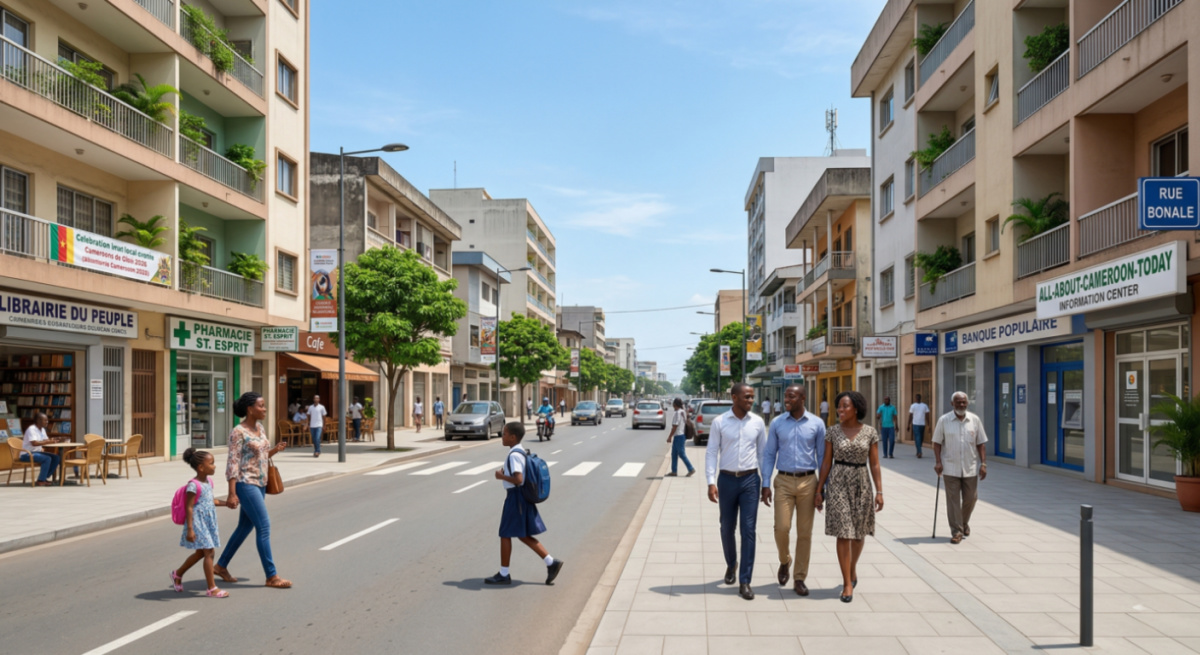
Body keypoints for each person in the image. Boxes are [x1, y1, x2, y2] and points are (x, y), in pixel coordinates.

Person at [213, 392, 291, 589]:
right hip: (245, 483)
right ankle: (271, 576)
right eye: (261, 405)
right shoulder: (238, 432)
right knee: (263, 526)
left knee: (244, 527)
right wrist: (232, 493)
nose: (264, 409)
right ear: (250, 409)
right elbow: (233, 462)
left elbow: (261, 455)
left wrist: (275, 450)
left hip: (261, 483)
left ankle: (221, 566)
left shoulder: (260, 428)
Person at [815, 390, 883, 603]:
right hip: (838, 482)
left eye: (845, 406)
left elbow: (875, 464)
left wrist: (879, 491)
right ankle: (847, 583)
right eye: (839, 406)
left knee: (858, 533)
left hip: (862, 482)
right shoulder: (832, 432)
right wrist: (819, 489)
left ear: (856, 409)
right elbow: (826, 462)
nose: (840, 410)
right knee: (843, 532)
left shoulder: (870, 432)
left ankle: (852, 568)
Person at [761, 384, 825, 596]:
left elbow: (823, 457)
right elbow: (769, 454)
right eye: (786, 396)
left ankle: (799, 578)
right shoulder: (777, 423)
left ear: (803, 398)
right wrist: (765, 483)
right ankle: (784, 560)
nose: (786, 399)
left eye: (791, 396)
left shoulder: (817, 423)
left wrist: (822, 488)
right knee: (781, 527)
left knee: (804, 533)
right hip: (784, 481)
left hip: (809, 482)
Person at [705, 382, 767, 601]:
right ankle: (731, 564)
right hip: (727, 480)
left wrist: (766, 482)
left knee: (748, 530)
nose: (751, 400)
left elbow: (762, 453)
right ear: (734, 397)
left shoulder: (758, 422)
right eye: (747, 397)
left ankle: (745, 581)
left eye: (752, 397)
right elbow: (711, 452)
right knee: (726, 527)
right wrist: (710, 481)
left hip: (750, 480)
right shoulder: (720, 422)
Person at [484, 421, 564, 585]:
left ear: (513, 437)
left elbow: (518, 479)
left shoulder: (514, 455)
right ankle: (551, 562)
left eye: (505, 434)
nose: (502, 437)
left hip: (516, 498)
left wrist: (501, 476)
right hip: (520, 497)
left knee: (505, 534)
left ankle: (504, 574)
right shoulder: (520, 451)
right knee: (522, 534)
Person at [932, 391, 988, 544]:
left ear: (967, 403)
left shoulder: (974, 420)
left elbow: (981, 443)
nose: (961, 405)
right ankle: (957, 531)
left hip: (970, 467)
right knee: (953, 501)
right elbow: (936, 443)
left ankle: (963, 523)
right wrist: (938, 462)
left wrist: (983, 463)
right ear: (952, 404)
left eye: (964, 402)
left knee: (971, 498)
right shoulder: (944, 420)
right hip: (950, 467)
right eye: (958, 402)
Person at [172, 448, 227, 598]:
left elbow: (210, 501)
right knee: (209, 552)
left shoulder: (209, 482)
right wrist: (190, 529)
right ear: (201, 467)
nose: (214, 466)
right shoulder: (193, 485)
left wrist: (226, 503)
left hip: (208, 522)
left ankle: (177, 574)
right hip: (197, 522)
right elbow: (189, 507)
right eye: (212, 463)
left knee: (201, 553)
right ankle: (212, 588)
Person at [20, 413, 61, 486]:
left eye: (47, 420)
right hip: (27, 454)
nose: (47, 422)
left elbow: (46, 440)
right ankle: (41, 480)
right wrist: (48, 442)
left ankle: (44, 477)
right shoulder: (31, 429)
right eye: (45, 420)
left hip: (37, 452)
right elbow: (34, 443)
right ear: (38, 421)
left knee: (56, 457)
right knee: (47, 458)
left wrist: (54, 440)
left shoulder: (42, 430)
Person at [664, 398, 695, 477]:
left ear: (674, 404)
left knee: (681, 454)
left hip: (679, 436)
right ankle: (674, 471)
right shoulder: (683, 411)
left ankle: (691, 468)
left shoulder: (677, 413)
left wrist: (669, 437)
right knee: (674, 454)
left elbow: (675, 426)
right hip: (681, 435)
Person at [907, 394, 931, 459]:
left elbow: (927, 416)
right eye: (916, 398)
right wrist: (908, 424)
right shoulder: (913, 406)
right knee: (917, 438)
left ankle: (918, 450)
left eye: (918, 398)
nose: (917, 399)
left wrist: (928, 425)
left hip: (922, 424)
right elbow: (910, 415)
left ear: (920, 398)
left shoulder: (924, 406)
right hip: (915, 424)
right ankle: (920, 452)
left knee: (920, 439)